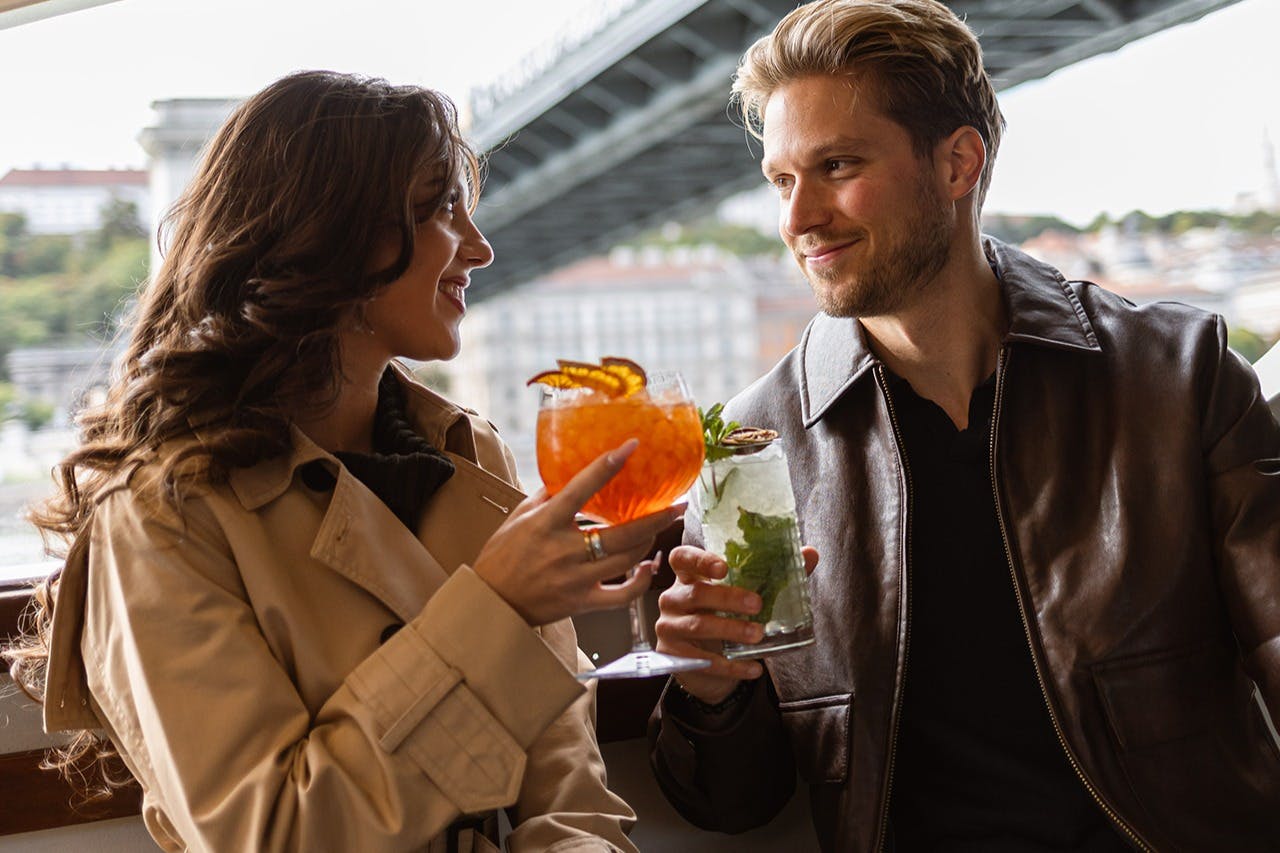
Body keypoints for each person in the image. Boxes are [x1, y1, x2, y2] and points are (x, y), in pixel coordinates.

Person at [647, 1, 1280, 851]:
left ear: (957, 163)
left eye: (836, 166)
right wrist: (711, 693)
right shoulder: (754, 448)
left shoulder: (1177, 372)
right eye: (783, 181)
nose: (798, 220)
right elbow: (736, 804)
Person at [3, 70, 678, 852]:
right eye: (441, 207)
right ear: (337, 234)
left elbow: (570, 797)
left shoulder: (472, 453)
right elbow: (277, 833)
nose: (482, 247)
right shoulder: (160, 516)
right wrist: (492, 607)